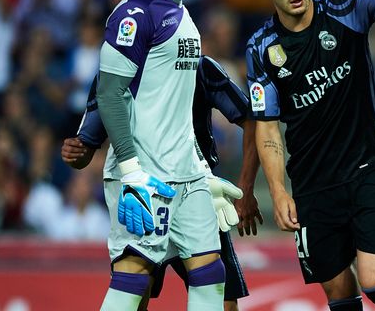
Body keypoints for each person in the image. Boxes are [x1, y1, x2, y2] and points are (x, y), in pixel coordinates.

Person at [244, 0, 375, 311]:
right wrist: (277, 191)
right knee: (339, 294)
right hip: (312, 185)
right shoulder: (261, 49)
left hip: (368, 168)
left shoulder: (345, 9)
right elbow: (267, 126)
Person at [93, 0, 224, 310]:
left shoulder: (181, 11)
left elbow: (172, 104)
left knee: (210, 274)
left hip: (185, 174)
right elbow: (109, 93)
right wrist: (131, 171)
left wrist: (199, 167)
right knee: (134, 278)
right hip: (144, 174)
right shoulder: (135, 12)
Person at [62, 48, 263, 311]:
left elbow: (251, 119)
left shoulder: (199, 68)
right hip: (145, 196)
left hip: (195, 191)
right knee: (136, 290)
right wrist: (76, 152)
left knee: (219, 294)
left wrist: (246, 189)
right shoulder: (114, 75)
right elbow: (85, 149)